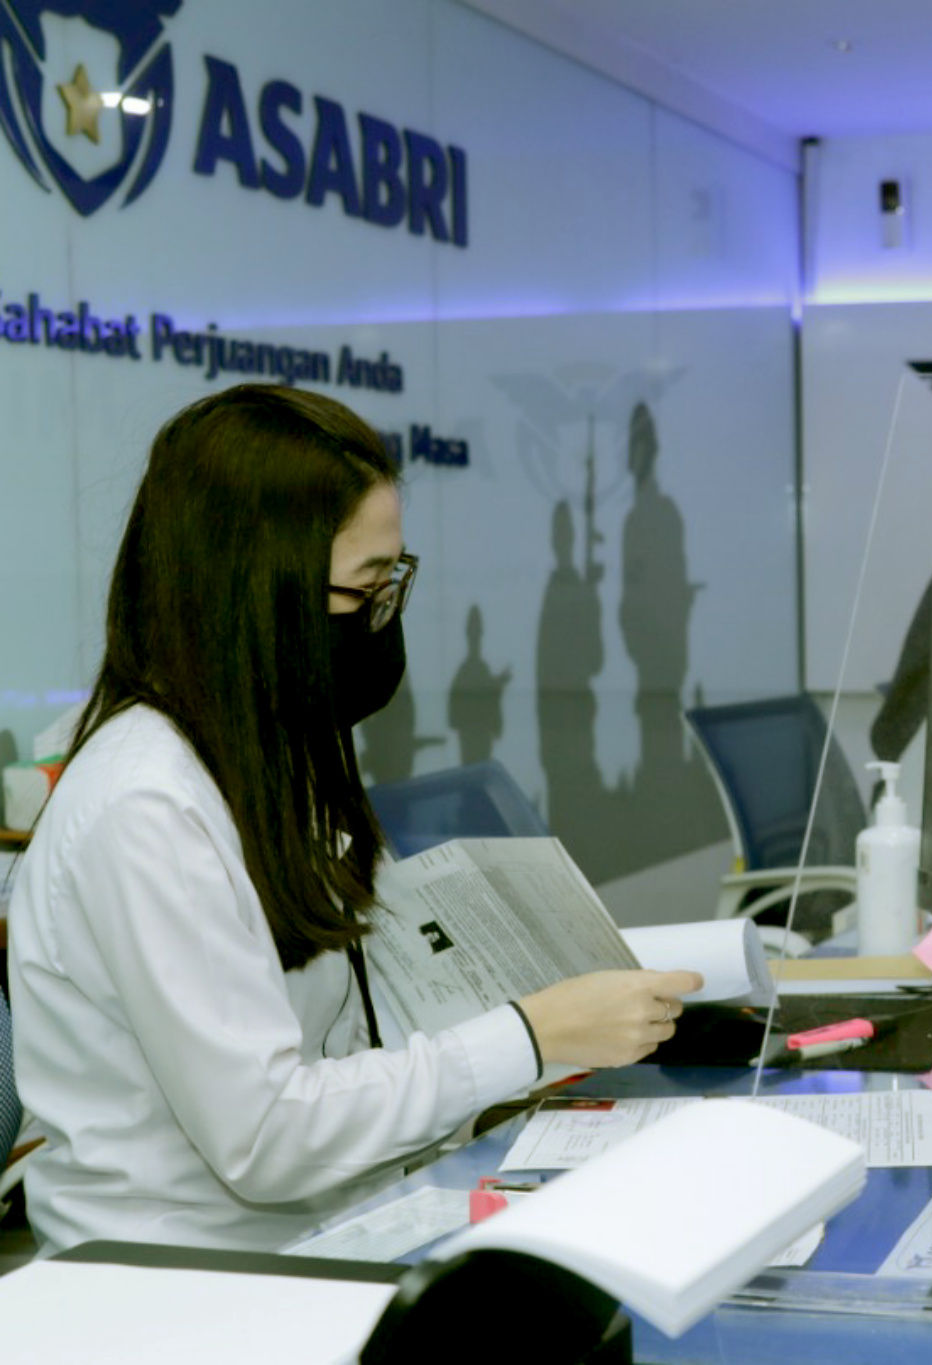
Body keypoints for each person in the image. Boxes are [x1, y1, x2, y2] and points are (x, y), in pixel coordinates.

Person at [7, 384, 702, 1254]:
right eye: (366, 586)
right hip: (183, 1283)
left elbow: (339, 1048)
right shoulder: (146, 806)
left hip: (329, 1228)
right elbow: (264, 1137)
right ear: (256, 591)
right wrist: (528, 1035)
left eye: (393, 578)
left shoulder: (267, 758)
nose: (382, 615)